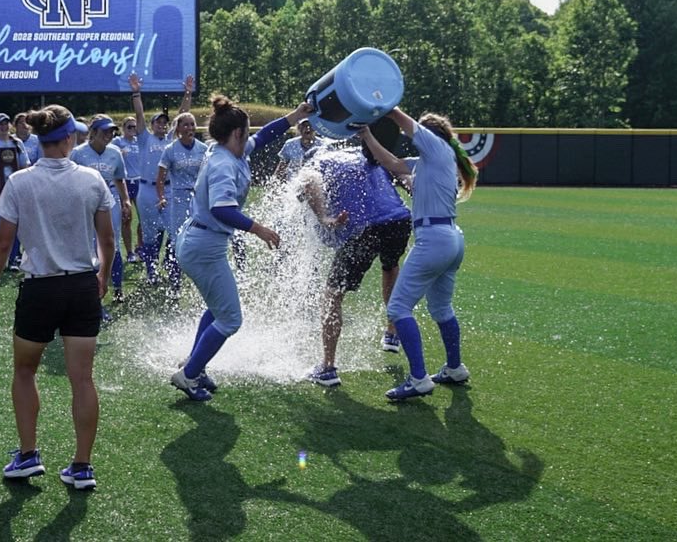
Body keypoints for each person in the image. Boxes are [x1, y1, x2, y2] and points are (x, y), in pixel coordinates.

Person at [0, 104, 115, 491]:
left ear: (40, 139)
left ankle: (28, 455)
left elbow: (2, 242)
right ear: (71, 138)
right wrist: (102, 276)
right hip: (81, 286)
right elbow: (107, 239)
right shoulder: (91, 180)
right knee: (82, 379)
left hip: (39, 287)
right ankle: (82, 466)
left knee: (24, 371)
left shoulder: (21, 182)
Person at [169, 96, 312, 401]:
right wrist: (258, 229)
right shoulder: (223, 163)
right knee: (231, 318)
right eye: (247, 131)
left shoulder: (227, 148)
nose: (251, 136)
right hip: (204, 244)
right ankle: (189, 374)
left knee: (217, 308)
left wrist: (294, 116)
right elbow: (222, 209)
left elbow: (264, 136)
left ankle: (196, 364)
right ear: (237, 133)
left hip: (200, 240)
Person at [360, 108, 478, 401]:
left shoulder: (435, 147)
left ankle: (418, 379)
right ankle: (454, 368)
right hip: (451, 238)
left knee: (398, 308)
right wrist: (367, 135)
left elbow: (403, 121)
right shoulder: (435, 159)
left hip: (434, 240)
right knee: (441, 309)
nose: (411, 138)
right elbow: (393, 164)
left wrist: (383, 106)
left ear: (430, 135)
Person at [297, 120, 413, 387]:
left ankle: (327, 367)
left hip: (365, 228)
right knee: (390, 265)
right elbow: (396, 172)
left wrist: (324, 216)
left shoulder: (315, 164)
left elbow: (309, 183)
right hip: (399, 220)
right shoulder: (359, 153)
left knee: (332, 293)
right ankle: (392, 332)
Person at [130, 73, 192, 284]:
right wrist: (136, 92)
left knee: (174, 231)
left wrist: (187, 93)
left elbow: (182, 115)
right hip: (147, 190)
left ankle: (172, 267)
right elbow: (138, 116)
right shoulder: (144, 138)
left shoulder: (170, 140)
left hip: (169, 189)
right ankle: (151, 271)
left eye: (164, 123)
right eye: (158, 122)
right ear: (152, 124)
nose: (162, 125)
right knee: (150, 235)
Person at [70, 114, 132, 303]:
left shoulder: (114, 152)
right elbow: (70, 180)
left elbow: (120, 178)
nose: (109, 134)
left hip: (109, 196)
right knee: (89, 246)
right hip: (85, 200)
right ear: (94, 132)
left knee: (112, 243)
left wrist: (126, 200)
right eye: (105, 131)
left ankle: (118, 288)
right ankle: (91, 293)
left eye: (112, 131)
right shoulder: (78, 153)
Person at [156, 110, 208, 297]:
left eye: (192, 124)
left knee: (201, 236)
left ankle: (202, 279)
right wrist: (162, 197)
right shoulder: (171, 150)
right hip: (178, 197)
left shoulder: (203, 148)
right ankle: (175, 281)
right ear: (178, 129)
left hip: (199, 198)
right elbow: (160, 177)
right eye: (185, 124)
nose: (190, 128)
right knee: (177, 239)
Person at [0, 113, 28, 271]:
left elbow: (25, 165)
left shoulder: (17, 143)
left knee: (16, 224)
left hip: (15, 189)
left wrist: (23, 186)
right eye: (0, 124)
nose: (3, 127)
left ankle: (13, 259)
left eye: (6, 124)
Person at [112, 116, 142, 262]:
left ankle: (139, 247)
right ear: (123, 128)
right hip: (124, 182)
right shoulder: (118, 142)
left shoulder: (139, 142)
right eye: (129, 127)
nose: (132, 130)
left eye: (134, 127)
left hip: (138, 181)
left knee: (144, 218)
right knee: (127, 218)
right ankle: (129, 252)